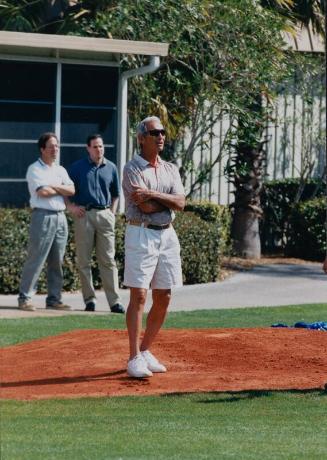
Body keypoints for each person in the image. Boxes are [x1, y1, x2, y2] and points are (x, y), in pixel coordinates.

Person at [122, 116, 185, 378]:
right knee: (139, 295)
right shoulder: (132, 168)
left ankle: (146, 350)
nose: (161, 136)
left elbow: (181, 203)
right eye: (155, 132)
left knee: (165, 295)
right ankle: (134, 357)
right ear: (141, 138)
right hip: (141, 232)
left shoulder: (170, 168)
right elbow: (144, 207)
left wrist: (154, 195)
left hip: (167, 235)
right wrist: (166, 201)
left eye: (162, 132)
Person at [67, 134, 125, 314]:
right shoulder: (77, 168)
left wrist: (112, 213)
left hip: (105, 214)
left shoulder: (112, 168)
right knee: (84, 260)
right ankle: (89, 300)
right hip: (84, 215)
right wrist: (71, 207)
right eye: (95, 147)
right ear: (88, 148)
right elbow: (65, 191)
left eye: (101, 146)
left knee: (108, 260)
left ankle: (115, 302)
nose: (99, 149)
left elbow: (116, 193)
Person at [18, 132, 75, 311]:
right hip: (42, 216)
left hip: (60, 217)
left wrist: (54, 187)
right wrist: (61, 188)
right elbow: (42, 192)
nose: (55, 149)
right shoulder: (34, 169)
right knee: (36, 259)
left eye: (57, 146)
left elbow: (72, 190)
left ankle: (54, 299)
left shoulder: (60, 170)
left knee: (57, 260)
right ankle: (24, 298)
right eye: (51, 146)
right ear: (42, 149)